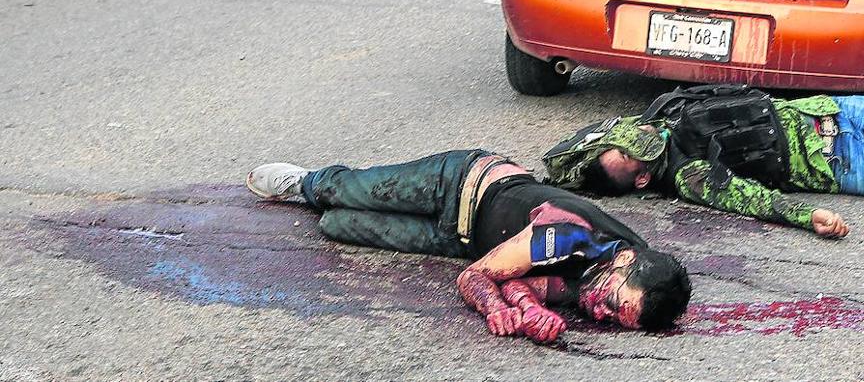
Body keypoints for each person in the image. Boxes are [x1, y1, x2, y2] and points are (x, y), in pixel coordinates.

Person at [246, 150, 691, 342]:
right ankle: (304, 180)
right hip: (458, 183)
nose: (599, 312)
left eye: (615, 318)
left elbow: (527, 283)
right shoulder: (571, 235)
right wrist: (496, 310)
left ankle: (318, 197)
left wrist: (530, 312)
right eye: (613, 302)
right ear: (625, 261)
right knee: (336, 195)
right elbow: (475, 277)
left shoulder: (608, 281)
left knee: (336, 225)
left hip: (459, 238)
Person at [543, 87, 864, 237]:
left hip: (829, 111)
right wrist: (807, 216)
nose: (633, 142)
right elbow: (751, 200)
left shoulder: (658, 114)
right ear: (644, 178)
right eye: (629, 158)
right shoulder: (689, 176)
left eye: (622, 141)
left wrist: (569, 168)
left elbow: (569, 152)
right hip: (838, 163)